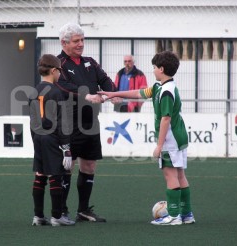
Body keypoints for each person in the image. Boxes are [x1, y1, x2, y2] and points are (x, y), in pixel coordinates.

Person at [98, 51, 195, 225]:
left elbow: (166, 118)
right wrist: (114, 93)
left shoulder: (166, 91)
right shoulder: (161, 87)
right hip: (179, 137)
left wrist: (159, 145)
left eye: (155, 67)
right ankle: (186, 214)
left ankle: (173, 216)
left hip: (170, 139)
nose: (153, 70)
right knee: (180, 175)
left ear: (162, 69)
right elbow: (140, 93)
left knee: (170, 174)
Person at [56, 23, 118, 223]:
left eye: (82, 40)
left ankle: (83, 210)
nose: (81, 44)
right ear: (64, 43)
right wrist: (88, 96)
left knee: (89, 166)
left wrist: (113, 93)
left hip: (91, 123)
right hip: (69, 124)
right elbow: (64, 86)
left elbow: (105, 80)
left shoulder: (90, 62)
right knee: (67, 166)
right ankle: (61, 211)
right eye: (76, 41)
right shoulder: (58, 64)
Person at [29, 54, 75, 227]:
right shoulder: (56, 92)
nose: (60, 75)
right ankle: (57, 216)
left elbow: (32, 120)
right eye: (59, 72)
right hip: (52, 138)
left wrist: (35, 140)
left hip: (38, 137)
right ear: (54, 70)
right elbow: (62, 123)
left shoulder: (34, 91)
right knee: (56, 175)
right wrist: (66, 148)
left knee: (40, 174)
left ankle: (38, 216)